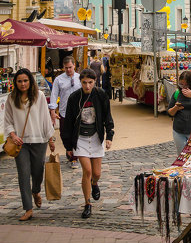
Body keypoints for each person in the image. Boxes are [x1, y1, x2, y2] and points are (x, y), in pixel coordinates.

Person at [62, 68, 114, 220]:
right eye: (84, 83)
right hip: (80, 139)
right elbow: (68, 123)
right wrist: (68, 146)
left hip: (96, 136)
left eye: (90, 83)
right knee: (88, 171)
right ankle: (87, 203)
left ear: (95, 82)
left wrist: (109, 135)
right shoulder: (74, 98)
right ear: (80, 82)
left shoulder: (101, 95)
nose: (87, 86)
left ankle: (95, 184)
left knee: (96, 174)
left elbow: (107, 116)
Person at [4, 69, 56, 221]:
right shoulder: (11, 98)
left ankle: (36, 191)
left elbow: (46, 119)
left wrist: (50, 139)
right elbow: (7, 121)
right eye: (19, 81)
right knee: (23, 174)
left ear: (30, 82)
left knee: (38, 171)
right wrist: (13, 135)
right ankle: (28, 208)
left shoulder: (38, 96)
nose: (23, 84)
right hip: (20, 144)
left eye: (25, 80)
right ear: (16, 83)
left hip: (39, 140)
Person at [49, 56, 81, 168]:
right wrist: (52, 111)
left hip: (78, 111)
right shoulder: (59, 79)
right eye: (66, 68)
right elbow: (54, 95)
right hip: (64, 111)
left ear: (74, 66)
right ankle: (69, 150)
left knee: (76, 134)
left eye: (70, 67)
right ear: (63, 67)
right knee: (64, 134)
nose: (68, 70)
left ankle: (74, 157)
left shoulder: (80, 78)